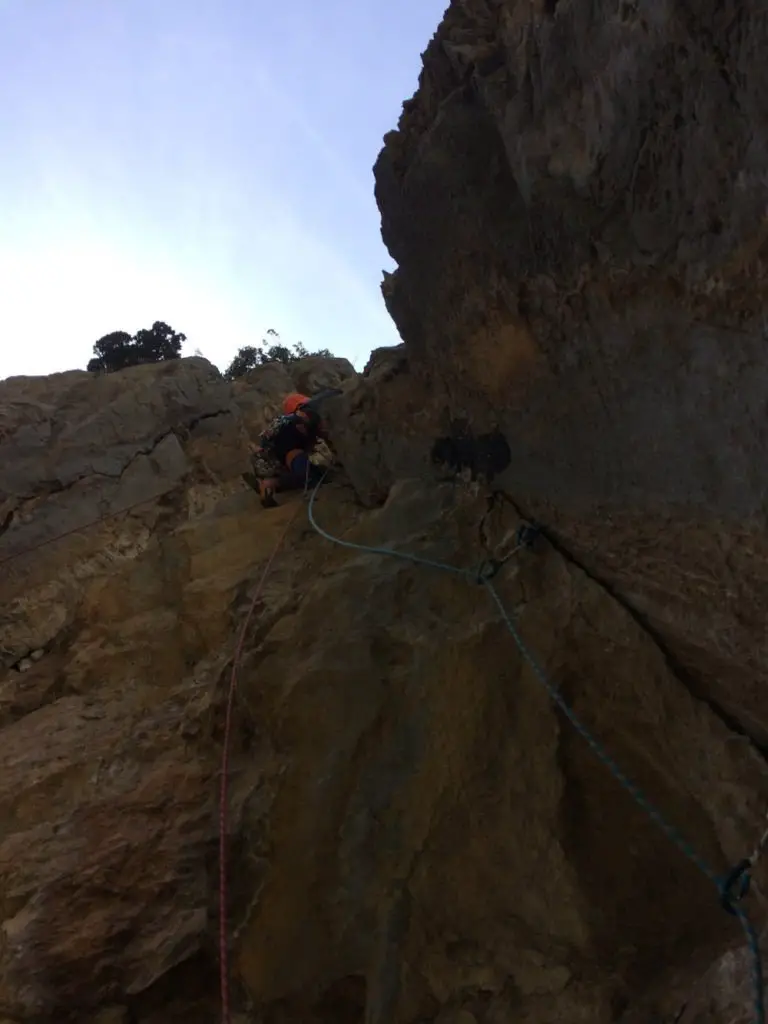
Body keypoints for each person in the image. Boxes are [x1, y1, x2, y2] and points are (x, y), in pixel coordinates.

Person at [244, 390, 339, 508]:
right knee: (311, 476)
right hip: (285, 444)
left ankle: (269, 484)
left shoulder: (284, 422)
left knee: (301, 474)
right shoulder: (299, 419)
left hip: (271, 450)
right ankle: (270, 484)